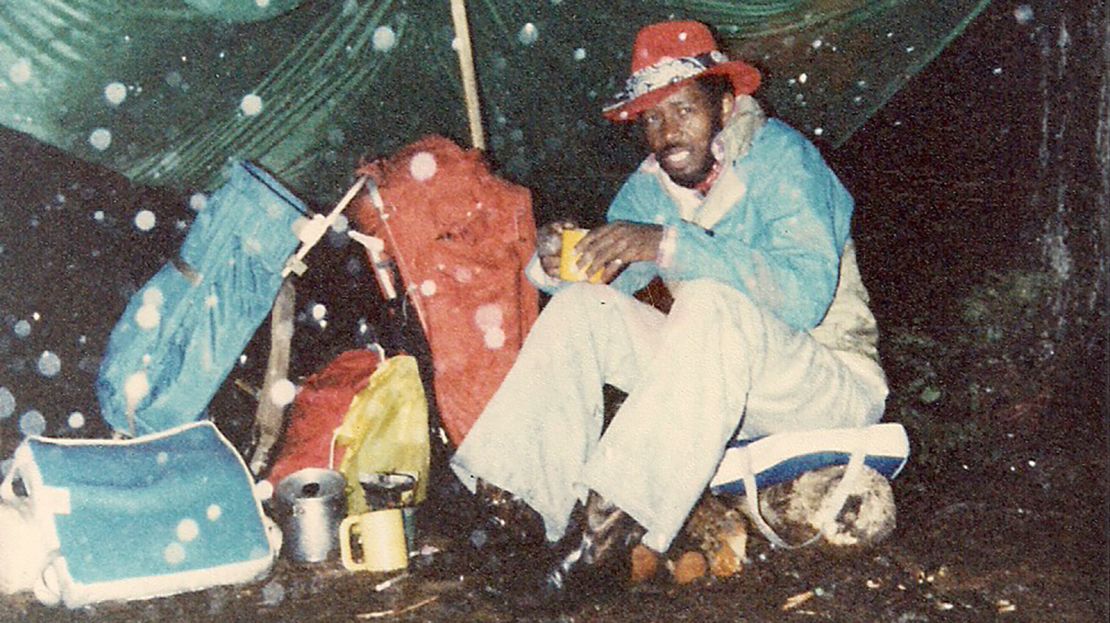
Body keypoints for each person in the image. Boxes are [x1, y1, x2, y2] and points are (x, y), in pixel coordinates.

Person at [450, 20, 888, 600]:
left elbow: (804, 298)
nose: (666, 132)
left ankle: (608, 534)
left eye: (682, 109)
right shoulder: (653, 185)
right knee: (585, 309)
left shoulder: (786, 160)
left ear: (726, 106)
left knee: (708, 299)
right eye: (652, 119)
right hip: (718, 383)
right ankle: (521, 508)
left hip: (822, 385)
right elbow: (607, 280)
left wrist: (666, 244)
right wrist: (554, 263)